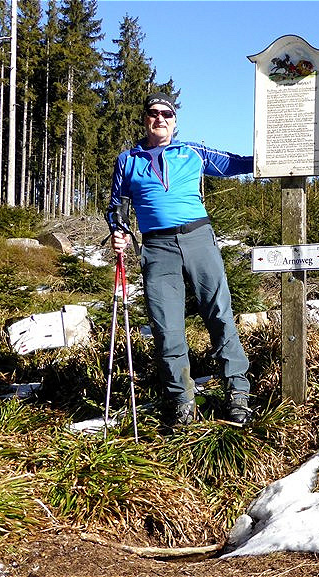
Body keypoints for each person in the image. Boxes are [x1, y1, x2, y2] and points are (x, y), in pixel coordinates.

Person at [107, 92, 254, 427]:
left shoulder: (192, 152)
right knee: (165, 327)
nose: (160, 118)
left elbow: (235, 163)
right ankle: (181, 401)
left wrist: (273, 157)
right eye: (153, 113)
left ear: (175, 121)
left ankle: (237, 395)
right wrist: (119, 230)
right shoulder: (127, 160)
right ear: (144, 119)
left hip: (199, 238)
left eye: (167, 114)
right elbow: (115, 206)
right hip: (157, 249)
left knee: (219, 314)